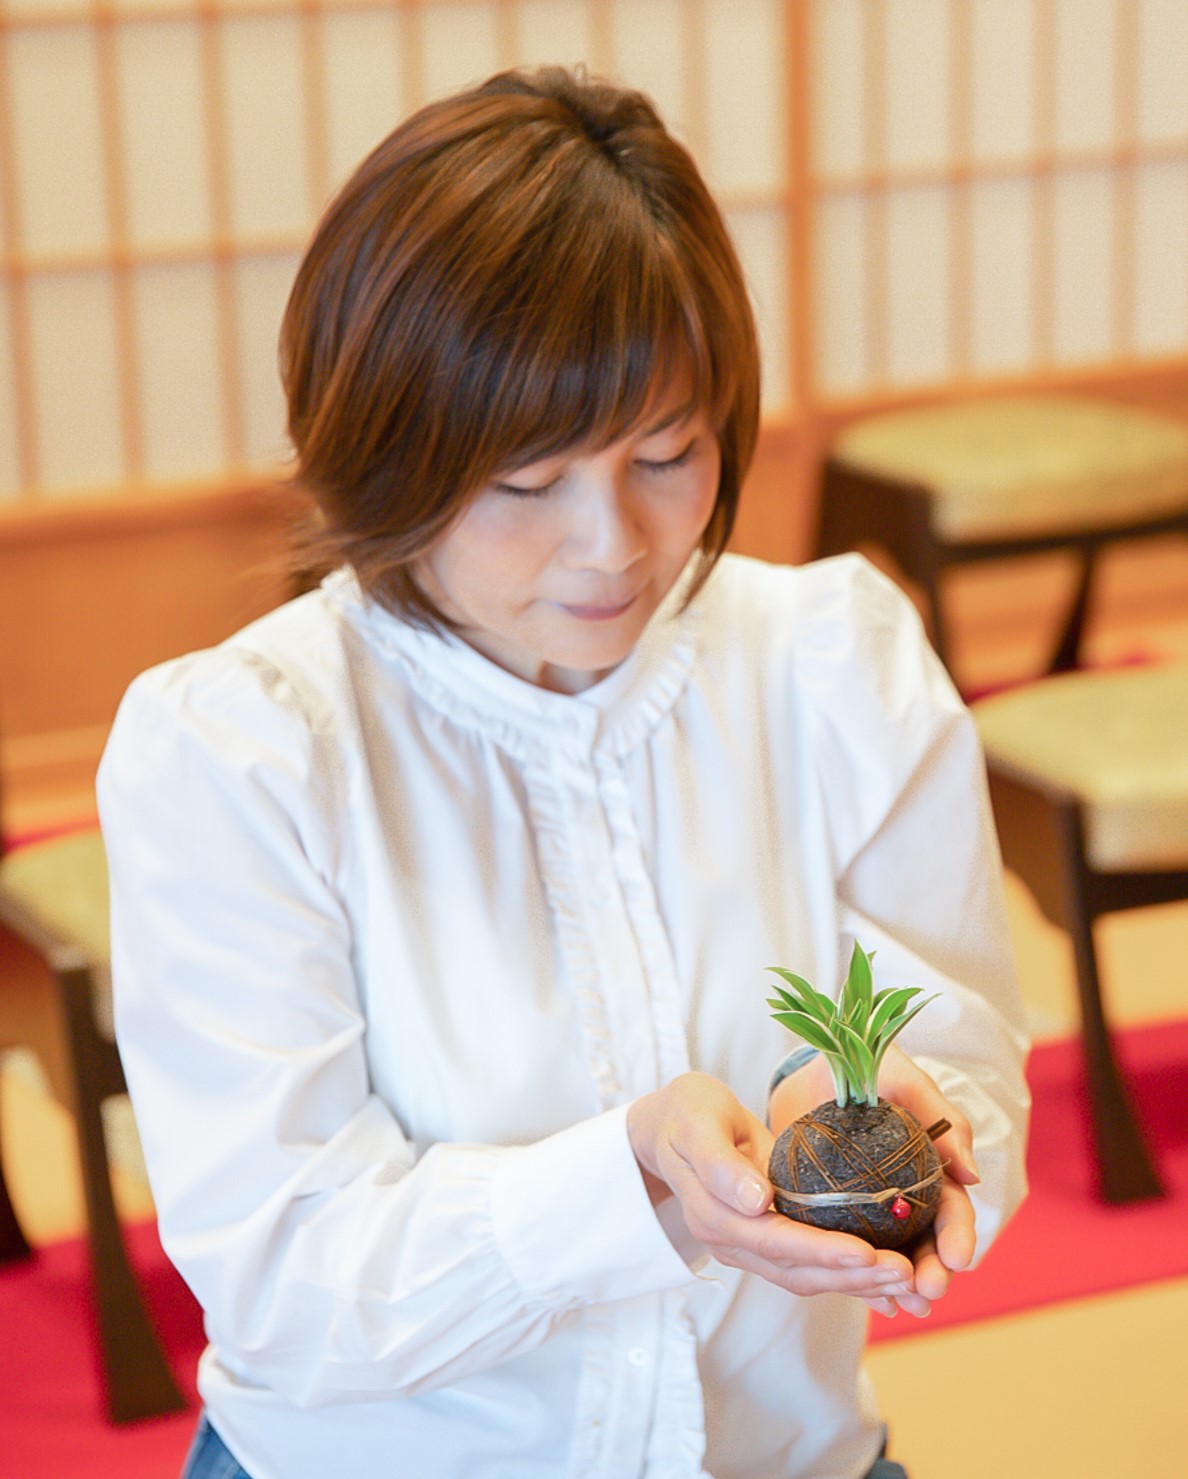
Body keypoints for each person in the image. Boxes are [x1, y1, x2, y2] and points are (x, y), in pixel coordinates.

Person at [98, 66, 1029, 1479]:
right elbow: (286, 1283)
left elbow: (966, 1056)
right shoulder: (246, 749)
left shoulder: (830, 662)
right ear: (385, 455)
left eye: (669, 454)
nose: (613, 545)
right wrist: (635, 1184)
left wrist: (883, 1116)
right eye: (526, 485)